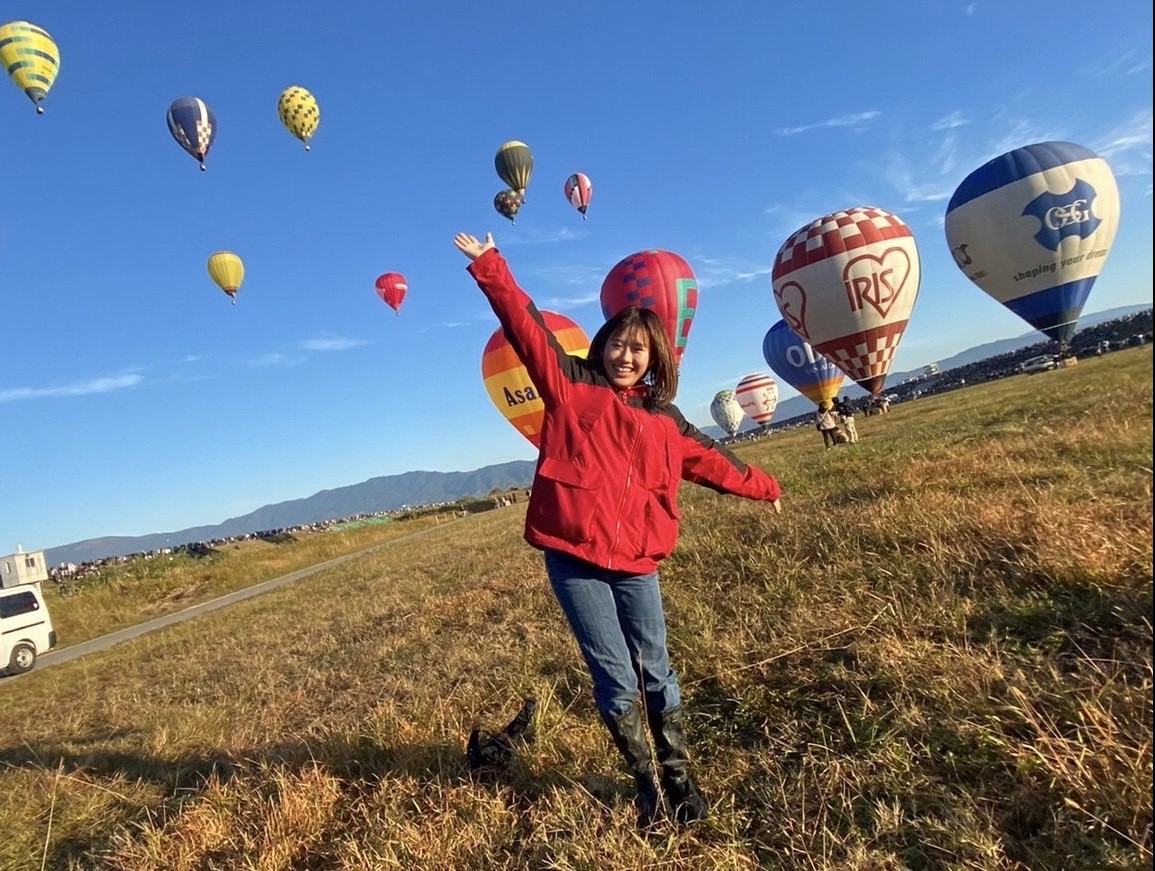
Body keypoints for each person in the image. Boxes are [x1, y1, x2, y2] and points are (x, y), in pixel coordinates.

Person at [455, 231, 783, 829]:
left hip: (637, 560)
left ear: (656, 357)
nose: (625, 356)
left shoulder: (667, 422)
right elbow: (528, 329)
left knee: (655, 668)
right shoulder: (572, 389)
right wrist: (491, 267)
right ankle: (645, 785)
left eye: (638, 349)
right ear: (602, 347)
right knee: (613, 675)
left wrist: (767, 487)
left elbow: (716, 462)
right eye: (617, 345)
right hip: (575, 557)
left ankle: (680, 776)